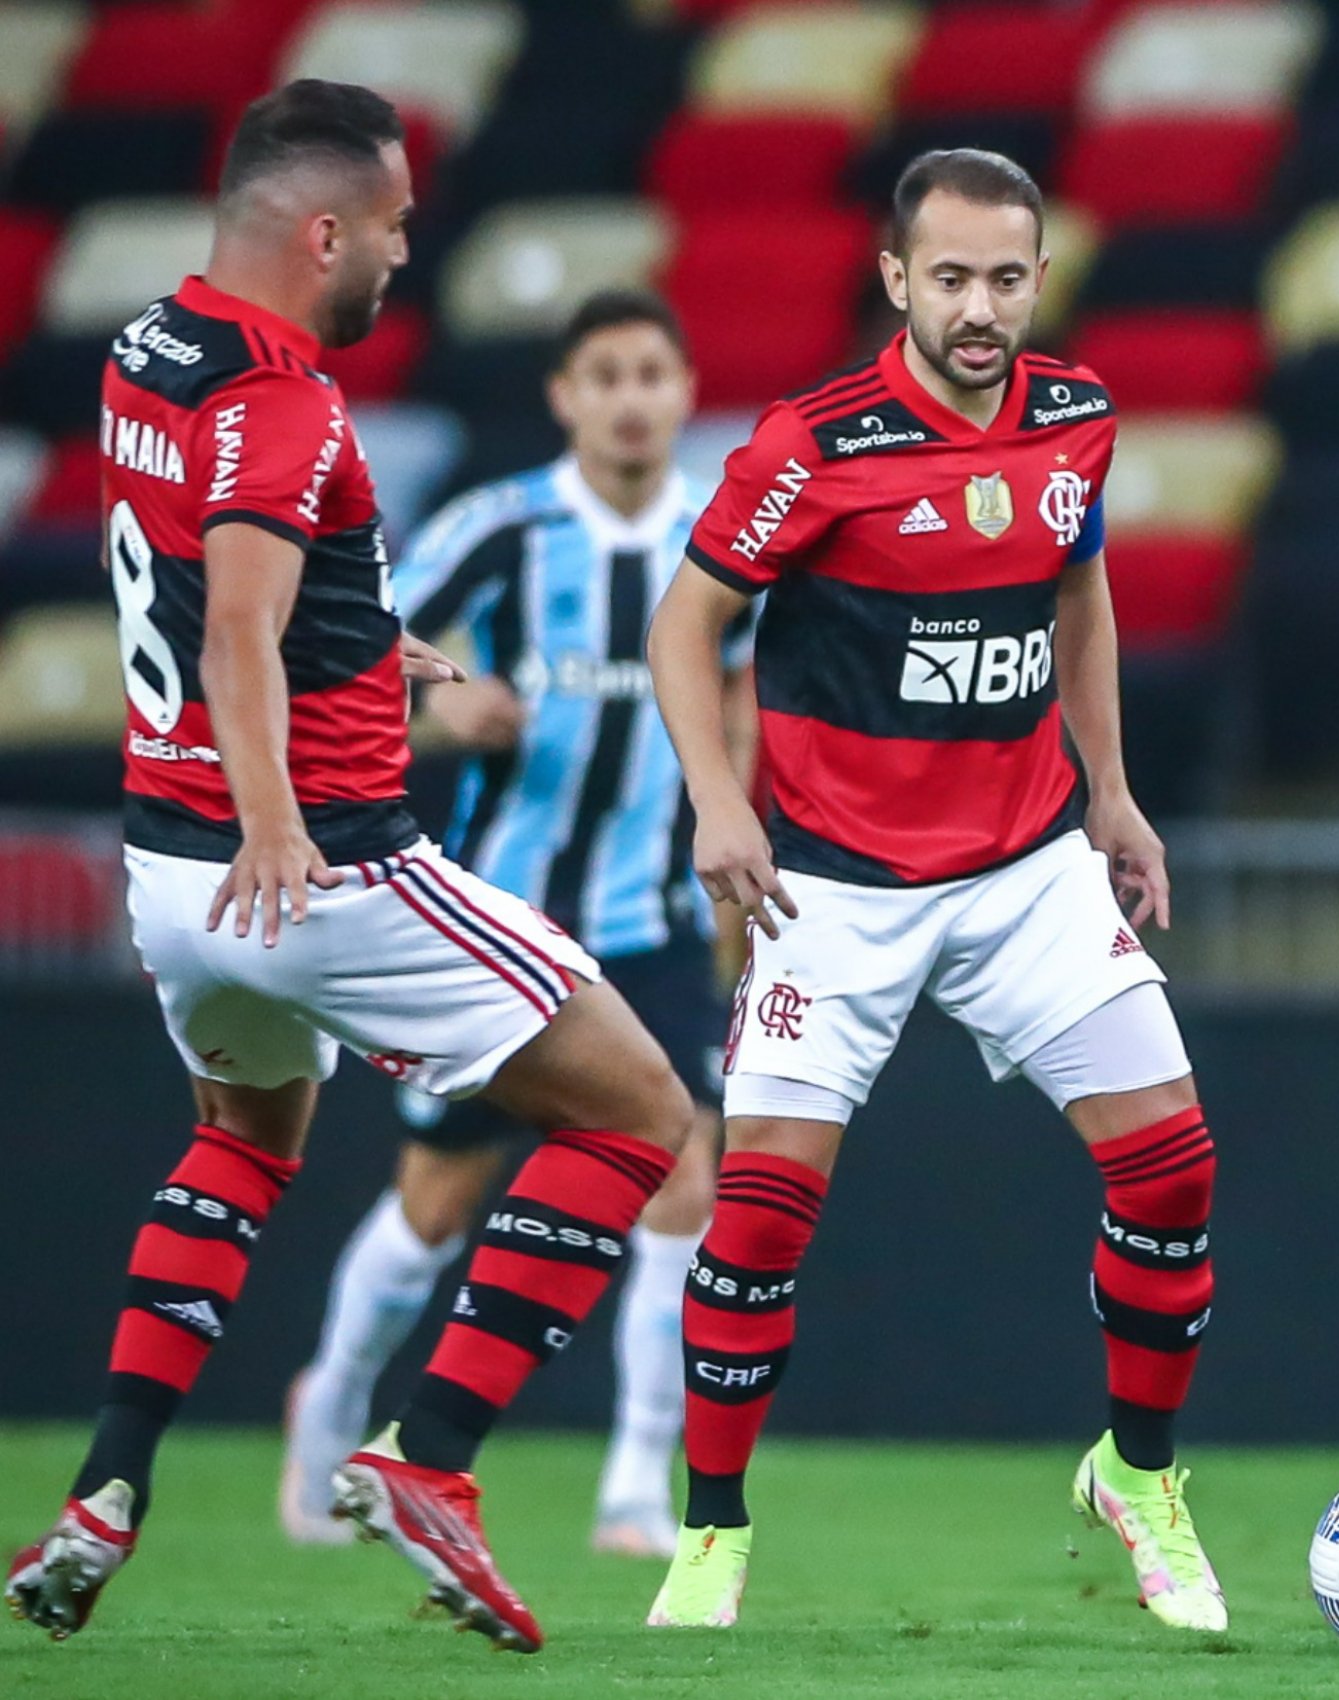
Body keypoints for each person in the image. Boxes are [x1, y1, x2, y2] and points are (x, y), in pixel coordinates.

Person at [5, 81, 697, 1655]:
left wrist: (380, 643)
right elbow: (240, 620)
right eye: (388, 224)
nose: (404, 250)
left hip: (169, 884)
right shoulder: (287, 399)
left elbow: (215, 586)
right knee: (642, 1113)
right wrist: (277, 815)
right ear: (323, 232)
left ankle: (107, 1490)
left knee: (243, 1149)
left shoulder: (146, 353)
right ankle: (429, 1456)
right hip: (313, 868)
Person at [641, 148, 1224, 1634]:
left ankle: (1138, 1477)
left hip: (1026, 867)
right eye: (949, 277)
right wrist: (720, 802)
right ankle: (710, 1532)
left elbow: (1076, 589)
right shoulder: (810, 446)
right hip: (830, 892)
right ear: (895, 279)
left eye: (1005, 278)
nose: (980, 308)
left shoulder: (1076, 418)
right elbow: (685, 623)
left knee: (1171, 1169)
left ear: (1040, 276)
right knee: (760, 1214)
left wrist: (1110, 790)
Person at [278, 288, 752, 1561]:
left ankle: (637, 1483)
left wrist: (737, 840)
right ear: (565, 396)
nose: (632, 397)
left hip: (650, 923)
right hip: (503, 925)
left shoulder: (721, 539)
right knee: (437, 1195)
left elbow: (744, 685)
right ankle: (328, 1407)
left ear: (685, 386)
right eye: (605, 375)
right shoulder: (504, 527)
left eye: (653, 372)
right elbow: (359, 643)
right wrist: (443, 711)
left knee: (681, 1178)